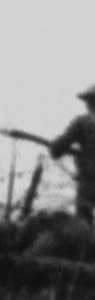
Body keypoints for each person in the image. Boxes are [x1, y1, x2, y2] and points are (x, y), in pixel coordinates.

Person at [49, 84, 95, 227]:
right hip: (88, 178)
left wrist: (54, 148)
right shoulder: (82, 123)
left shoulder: (82, 122)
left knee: (83, 220)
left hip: (89, 180)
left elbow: (61, 145)